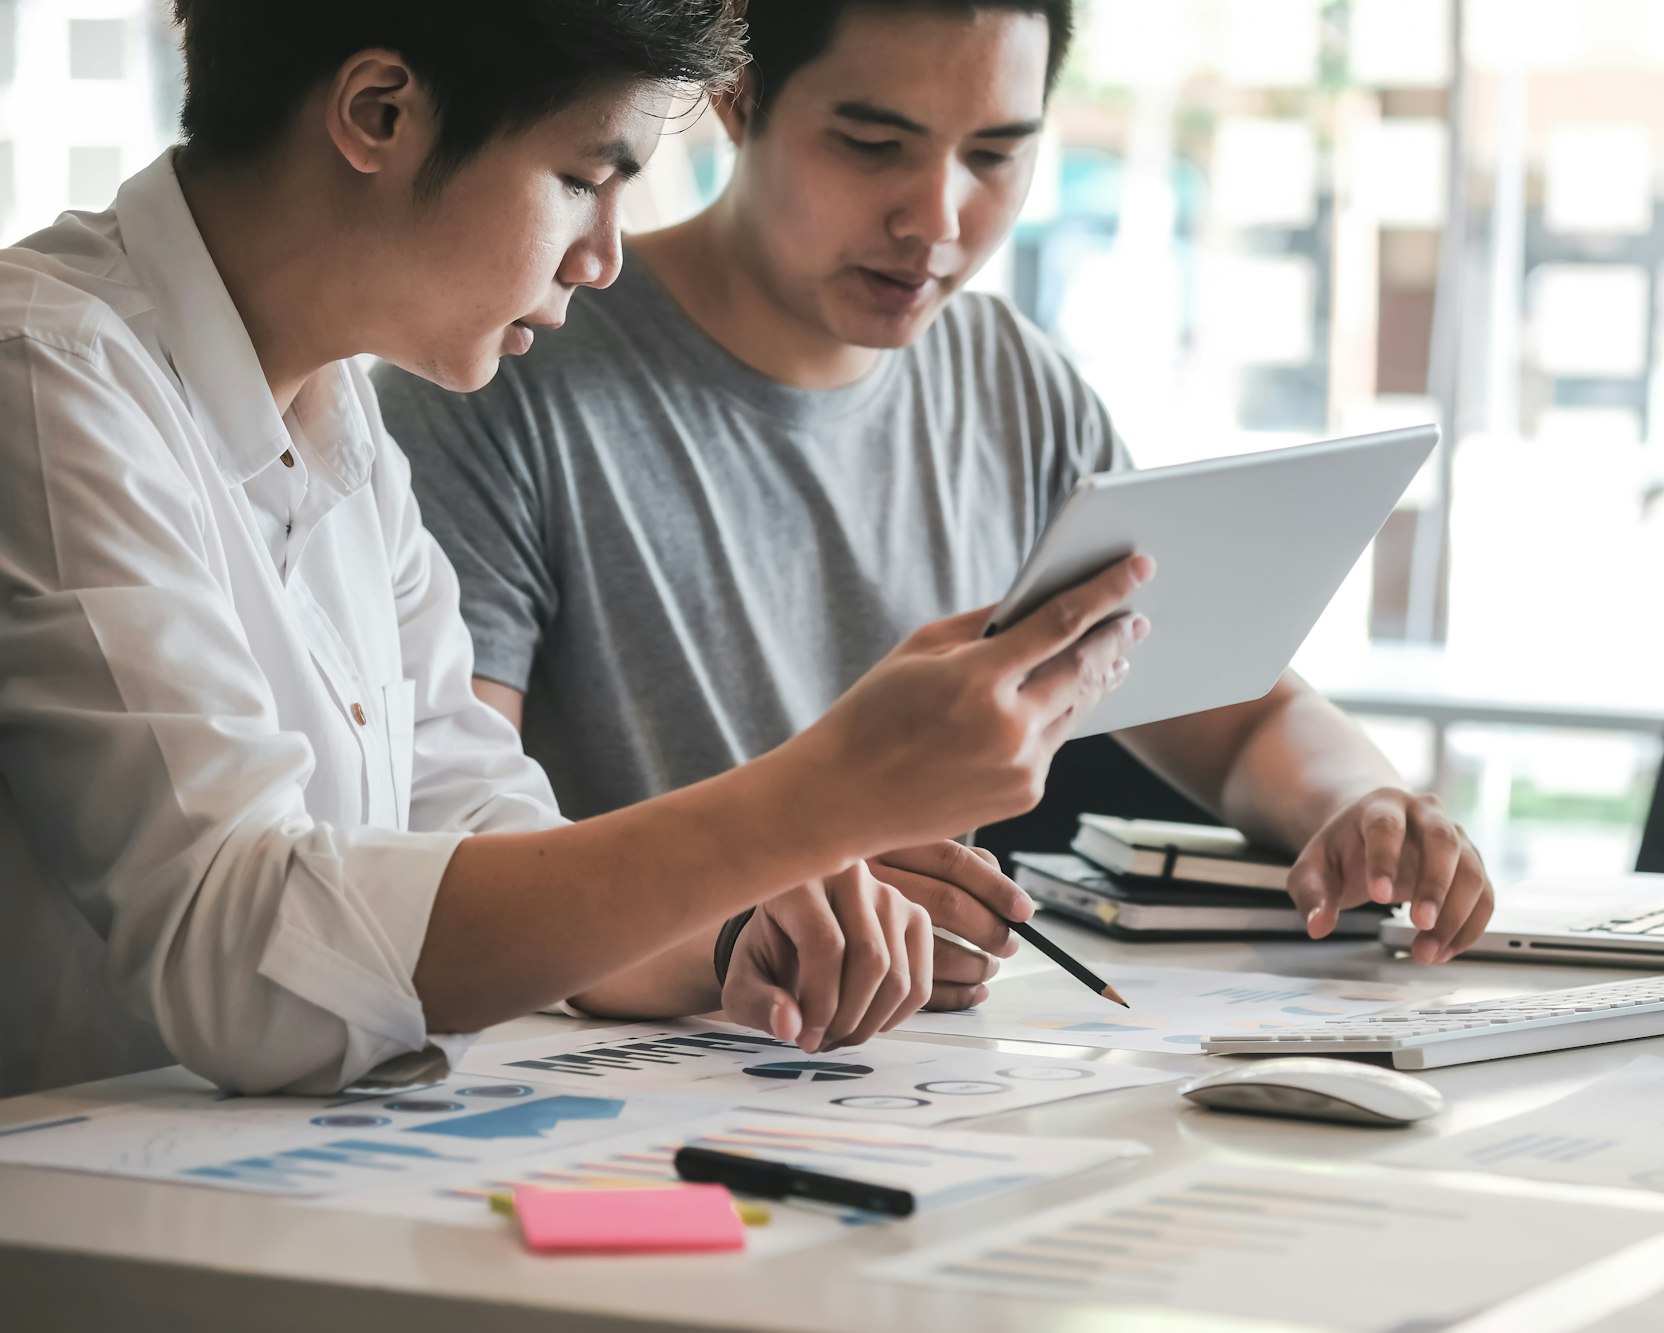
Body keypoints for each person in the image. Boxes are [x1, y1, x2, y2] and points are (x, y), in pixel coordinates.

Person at [0, 0, 1150, 1099]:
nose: (604, 256)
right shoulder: (47, 381)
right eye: (582, 181)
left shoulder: (338, 417)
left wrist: (741, 928)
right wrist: (817, 798)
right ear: (379, 114)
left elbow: (476, 833)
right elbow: (244, 957)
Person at [376, 0, 1499, 1019]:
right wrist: (738, 933)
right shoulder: (501, 371)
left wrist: (1362, 805)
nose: (937, 218)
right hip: (620, 1074)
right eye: (873, 146)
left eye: (998, 155)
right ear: (736, 97)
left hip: (913, 1076)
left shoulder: (1013, 383)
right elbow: (453, 852)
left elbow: (1237, 711)